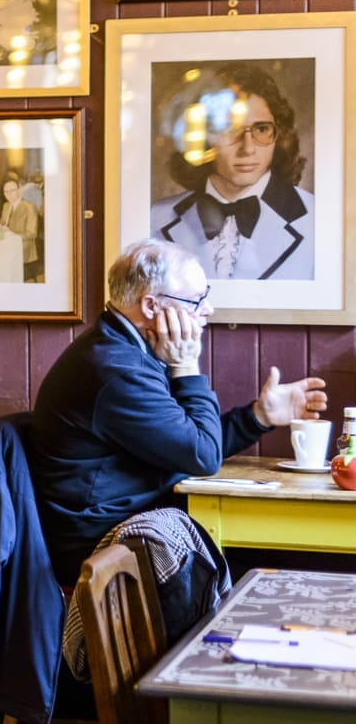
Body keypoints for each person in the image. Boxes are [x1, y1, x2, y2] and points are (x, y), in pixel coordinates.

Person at [31, 240, 326, 584]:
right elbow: (201, 455)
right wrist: (186, 365)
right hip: (103, 546)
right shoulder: (118, 368)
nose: (209, 309)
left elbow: (186, 442)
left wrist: (257, 417)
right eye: (197, 299)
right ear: (152, 306)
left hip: (131, 521)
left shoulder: (124, 348)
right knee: (264, 559)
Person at [149, 64, 315, 281]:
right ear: (201, 137)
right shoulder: (156, 218)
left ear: (279, 134)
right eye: (229, 130)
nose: (248, 148)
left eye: (262, 129)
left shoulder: (319, 219)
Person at [1, 177, 43, 281]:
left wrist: (11, 235)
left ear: (19, 190)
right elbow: (1, 225)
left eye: (12, 191)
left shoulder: (29, 207)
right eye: (6, 192)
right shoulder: (6, 205)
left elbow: (32, 234)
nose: (9, 194)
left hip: (23, 245)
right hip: (8, 242)